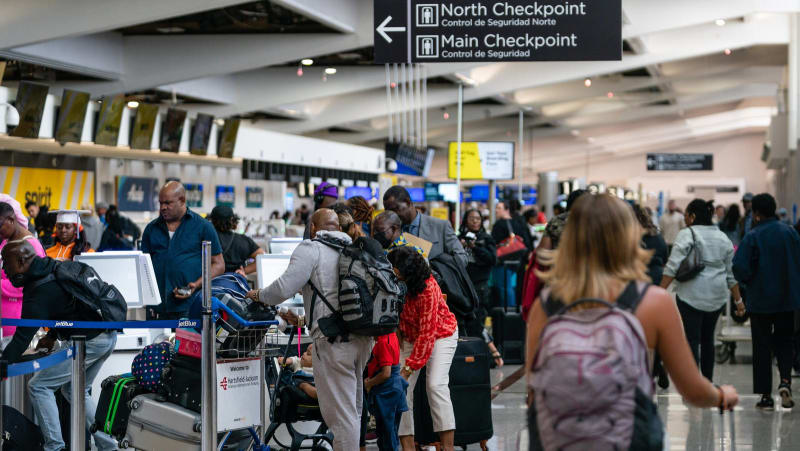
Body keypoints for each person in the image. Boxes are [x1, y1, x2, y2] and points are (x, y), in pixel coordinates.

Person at [525, 194, 739, 449]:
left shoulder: (546, 306)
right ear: (627, 237)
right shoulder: (653, 303)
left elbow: (534, 391)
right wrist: (722, 395)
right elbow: (691, 390)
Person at [247, 209, 373, 451]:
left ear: (313, 227)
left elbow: (283, 287)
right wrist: (304, 320)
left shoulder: (311, 248)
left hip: (334, 343)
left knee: (340, 416)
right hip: (362, 339)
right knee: (353, 409)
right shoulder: (354, 248)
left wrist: (259, 295)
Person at [0, 240, 118, 451]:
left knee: (39, 386)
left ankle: (55, 448)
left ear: (20, 261)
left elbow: (22, 336)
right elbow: (67, 306)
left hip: (89, 342)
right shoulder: (51, 267)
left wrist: (3, 363)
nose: (4, 271)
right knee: (75, 390)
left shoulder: (38, 290)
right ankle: (109, 446)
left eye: (6, 265)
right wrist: (54, 335)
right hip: (105, 335)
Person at [660, 199, 741, 382]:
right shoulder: (722, 237)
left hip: (691, 295)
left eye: (687, 215)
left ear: (693, 216)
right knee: (708, 340)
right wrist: (739, 301)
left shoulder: (686, 234)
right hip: (717, 297)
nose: (686, 218)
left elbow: (672, 267)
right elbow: (731, 275)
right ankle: (707, 381)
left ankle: (693, 383)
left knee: (692, 339)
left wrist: (659, 291)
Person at [387, 246, 458, 451]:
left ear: (406, 272)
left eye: (395, 268)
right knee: (400, 389)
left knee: (435, 385)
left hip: (441, 334)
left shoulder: (428, 289)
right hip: (410, 336)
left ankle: (447, 447)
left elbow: (427, 336)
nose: (391, 271)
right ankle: (408, 446)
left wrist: (407, 370)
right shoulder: (396, 283)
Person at [733, 193, 800, 410]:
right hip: (788, 299)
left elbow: (739, 268)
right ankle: (785, 381)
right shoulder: (791, 233)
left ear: (756, 213)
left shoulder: (753, 236)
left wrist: (749, 281)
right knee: (785, 341)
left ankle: (765, 396)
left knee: (762, 346)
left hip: (760, 300)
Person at [141, 181, 224, 319]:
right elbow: (143, 265)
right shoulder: (151, 229)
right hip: (156, 308)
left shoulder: (202, 227)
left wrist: (196, 285)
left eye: (168, 203)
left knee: (184, 341)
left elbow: (219, 264)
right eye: (161, 203)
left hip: (188, 307)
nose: (163, 207)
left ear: (182, 200)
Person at [632, 203, 670, 389]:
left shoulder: (630, 236)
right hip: (656, 278)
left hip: (637, 279)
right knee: (654, 325)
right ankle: (658, 363)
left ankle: (645, 366)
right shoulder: (656, 234)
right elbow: (664, 255)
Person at [459, 209, 503, 367]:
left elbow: (492, 259)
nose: (475, 221)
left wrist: (475, 246)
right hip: (463, 287)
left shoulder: (486, 239)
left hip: (480, 287)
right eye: (471, 218)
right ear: (465, 221)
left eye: (478, 218)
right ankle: (470, 355)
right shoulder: (458, 239)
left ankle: (490, 354)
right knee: (464, 323)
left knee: (477, 321)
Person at [383, 186, 466, 267]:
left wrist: (432, 266)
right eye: (389, 212)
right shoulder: (391, 232)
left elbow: (462, 259)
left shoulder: (440, 226)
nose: (393, 215)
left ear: (408, 202)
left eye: (395, 209)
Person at [0, 199, 46, 344]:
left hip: (19, 321)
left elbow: (29, 284)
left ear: (11, 219)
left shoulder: (31, 245)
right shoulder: (6, 241)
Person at [363, 332, 409, 451]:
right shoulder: (392, 335)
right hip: (392, 389)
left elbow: (386, 374)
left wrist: (369, 383)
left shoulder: (383, 342)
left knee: (387, 434)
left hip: (388, 392)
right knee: (388, 431)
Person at [209, 205, 264, 275]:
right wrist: (244, 271)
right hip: (235, 281)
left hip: (211, 281)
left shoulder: (206, 240)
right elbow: (262, 257)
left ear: (211, 221)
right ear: (232, 220)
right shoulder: (243, 240)